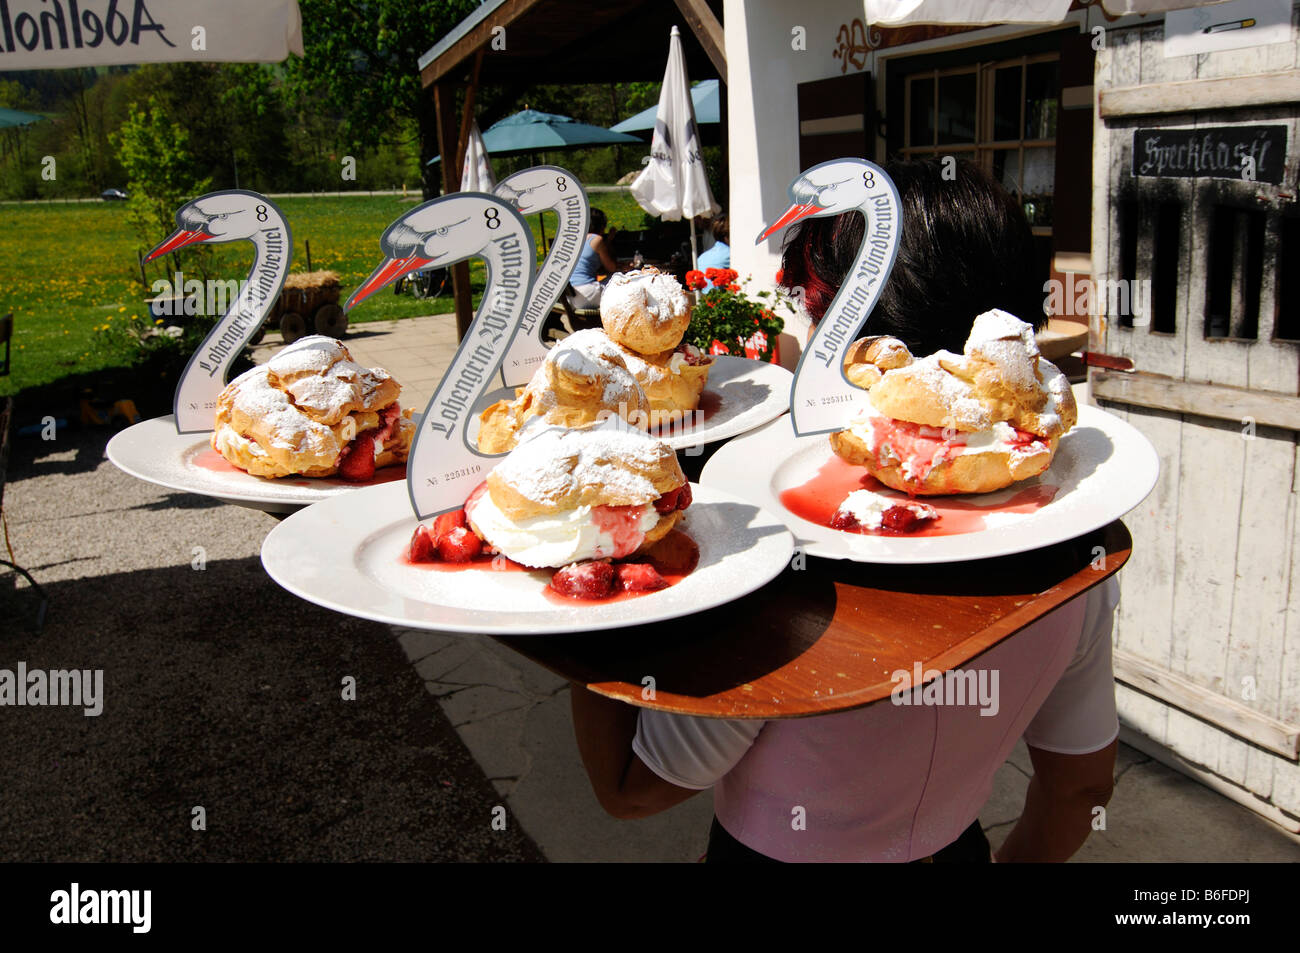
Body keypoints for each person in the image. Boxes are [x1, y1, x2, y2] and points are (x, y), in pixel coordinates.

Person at [568, 157, 1120, 863]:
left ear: (860, 336)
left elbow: (630, 787)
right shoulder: (1080, 540)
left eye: (816, 305)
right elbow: (1080, 786)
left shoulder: (786, 559)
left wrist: (591, 567)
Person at [567, 208, 622, 310]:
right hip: (588, 294)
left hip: (571, 296)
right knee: (620, 279)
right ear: (601, 225)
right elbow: (611, 268)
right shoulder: (597, 240)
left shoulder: (574, 240)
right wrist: (609, 240)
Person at [696, 213, 730, 287]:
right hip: (719, 297)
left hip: (702, 296)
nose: (696, 222)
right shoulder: (731, 254)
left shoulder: (701, 258)